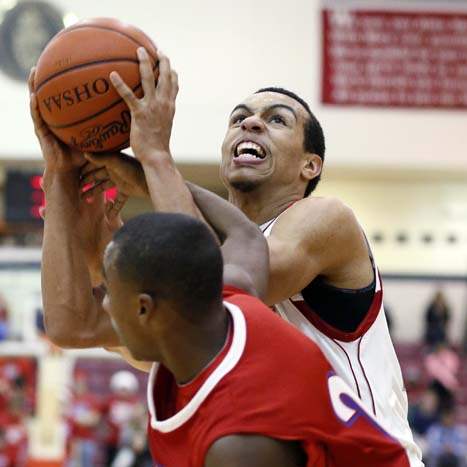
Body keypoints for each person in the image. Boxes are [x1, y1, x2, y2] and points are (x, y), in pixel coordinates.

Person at [30, 49, 421, 464]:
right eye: (239, 118)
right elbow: (77, 326)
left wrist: (154, 164)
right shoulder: (202, 275)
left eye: (277, 120)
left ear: (310, 166)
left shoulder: (327, 220)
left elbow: (217, 286)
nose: (250, 123)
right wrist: (59, 179)